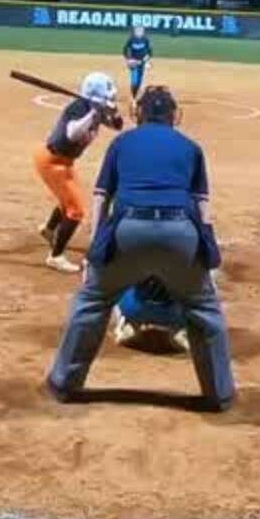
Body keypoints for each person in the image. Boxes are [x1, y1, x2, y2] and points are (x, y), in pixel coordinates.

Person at [46, 86, 234, 411]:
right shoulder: (191, 147)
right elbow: (203, 211)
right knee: (204, 308)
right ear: (174, 115)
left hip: (128, 231)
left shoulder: (121, 143)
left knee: (92, 300)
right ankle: (219, 395)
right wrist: (205, 256)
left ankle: (64, 384)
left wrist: (95, 251)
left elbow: (102, 198)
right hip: (181, 232)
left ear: (140, 114)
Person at [34, 71, 123, 273]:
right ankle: (55, 257)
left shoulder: (93, 108)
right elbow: (71, 134)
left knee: (69, 200)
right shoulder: (78, 108)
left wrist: (111, 112)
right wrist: (93, 114)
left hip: (65, 162)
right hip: (51, 161)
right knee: (76, 211)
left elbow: (117, 126)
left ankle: (49, 229)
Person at [123, 24, 153, 99]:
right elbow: (125, 50)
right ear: (134, 31)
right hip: (134, 63)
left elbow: (150, 53)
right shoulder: (131, 39)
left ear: (143, 32)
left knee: (139, 81)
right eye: (137, 30)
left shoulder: (146, 40)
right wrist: (129, 59)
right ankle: (133, 97)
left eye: (140, 30)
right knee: (134, 82)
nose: (139, 32)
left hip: (142, 63)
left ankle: (135, 96)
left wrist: (143, 61)